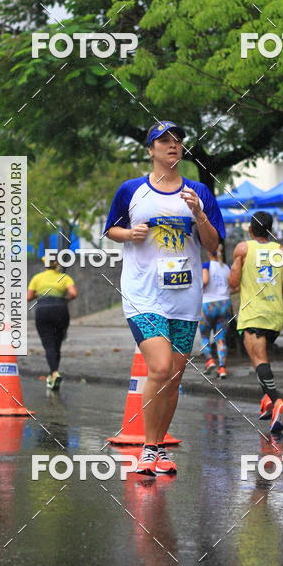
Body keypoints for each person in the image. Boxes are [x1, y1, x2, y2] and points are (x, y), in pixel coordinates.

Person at [105, 120, 224, 476]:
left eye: (177, 140)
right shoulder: (132, 191)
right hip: (143, 294)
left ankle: (157, 449)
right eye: (164, 141)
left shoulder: (199, 191)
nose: (173, 145)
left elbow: (213, 244)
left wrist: (200, 215)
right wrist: (129, 234)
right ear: (151, 150)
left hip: (186, 296)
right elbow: (111, 228)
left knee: (173, 376)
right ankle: (146, 447)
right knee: (158, 367)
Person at [229, 212, 283, 435]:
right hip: (275, 314)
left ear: (251, 230)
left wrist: (237, 276)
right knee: (256, 356)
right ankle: (267, 400)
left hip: (254, 313)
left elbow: (233, 283)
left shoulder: (243, 249)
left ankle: (277, 401)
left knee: (258, 358)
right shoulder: (281, 251)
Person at [27, 254, 78, 390]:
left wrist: (40, 294)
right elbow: (73, 293)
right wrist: (64, 299)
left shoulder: (37, 278)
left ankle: (54, 372)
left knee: (48, 343)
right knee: (57, 343)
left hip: (43, 311)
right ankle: (53, 374)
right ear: (57, 265)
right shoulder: (65, 277)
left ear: (45, 265)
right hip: (61, 310)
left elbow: (28, 297)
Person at [200, 244, 232, 379]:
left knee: (205, 336)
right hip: (225, 304)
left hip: (208, 304)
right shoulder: (226, 268)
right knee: (221, 338)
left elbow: (205, 281)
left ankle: (210, 360)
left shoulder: (206, 266)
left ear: (208, 253)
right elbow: (232, 285)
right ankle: (222, 368)